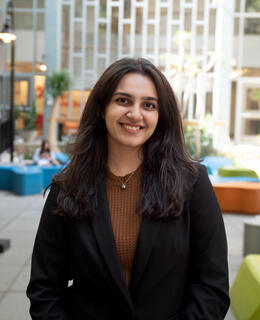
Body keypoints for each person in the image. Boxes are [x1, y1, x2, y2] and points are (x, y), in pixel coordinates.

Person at [27, 58, 230, 319]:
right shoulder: (68, 187)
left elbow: (212, 287)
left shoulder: (193, 183)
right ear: (102, 108)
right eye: (123, 100)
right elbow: (45, 289)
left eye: (148, 105)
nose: (135, 114)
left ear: (160, 115)